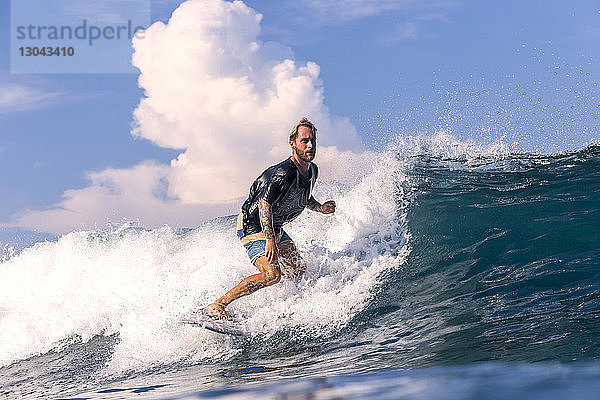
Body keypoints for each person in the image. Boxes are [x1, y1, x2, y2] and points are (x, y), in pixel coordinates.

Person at [204, 118, 336, 320]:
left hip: (274, 225)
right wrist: (270, 240)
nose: (310, 146)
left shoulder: (312, 170)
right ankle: (217, 306)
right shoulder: (285, 172)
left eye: (313, 141)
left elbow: (302, 195)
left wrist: (320, 208)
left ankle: (276, 309)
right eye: (304, 141)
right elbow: (265, 204)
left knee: (297, 269)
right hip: (253, 224)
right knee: (272, 275)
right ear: (292, 143)